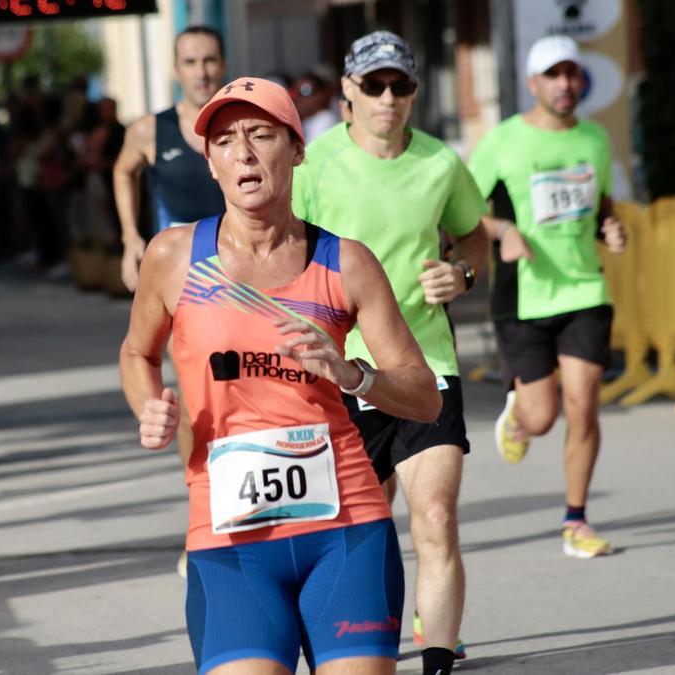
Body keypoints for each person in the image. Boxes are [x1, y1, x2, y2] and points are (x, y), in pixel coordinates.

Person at [121, 77, 441, 675]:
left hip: (345, 529)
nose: (242, 151)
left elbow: (424, 398)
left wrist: (353, 375)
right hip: (229, 543)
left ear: (296, 149)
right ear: (211, 163)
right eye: (223, 140)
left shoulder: (345, 262)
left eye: (260, 134)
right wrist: (148, 405)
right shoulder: (173, 257)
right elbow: (137, 354)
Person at [291, 30, 489, 675]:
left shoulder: (440, 163)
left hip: (426, 366)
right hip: (342, 373)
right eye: (372, 85)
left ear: (413, 93)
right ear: (347, 90)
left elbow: (475, 239)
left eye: (399, 85)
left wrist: (461, 276)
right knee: (363, 532)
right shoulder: (313, 164)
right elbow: (280, 255)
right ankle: (362, 644)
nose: (387, 98)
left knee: (435, 515)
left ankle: (436, 657)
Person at [467, 35, 626, 559]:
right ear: (533, 83)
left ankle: (576, 521)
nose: (564, 84)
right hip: (523, 295)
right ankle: (519, 415)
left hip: (584, 287)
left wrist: (611, 227)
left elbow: (597, 201)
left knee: (584, 405)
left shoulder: (595, 140)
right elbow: (460, 210)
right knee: (543, 418)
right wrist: (503, 231)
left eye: (572, 74)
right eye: (553, 75)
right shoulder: (504, 140)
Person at [114, 25, 227, 295]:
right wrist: (130, 237)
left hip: (237, 267)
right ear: (176, 70)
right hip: (175, 270)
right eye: (190, 62)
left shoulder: (243, 125)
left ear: (223, 65)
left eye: (209, 60)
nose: (201, 73)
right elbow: (123, 172)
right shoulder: (149, 130)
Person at [291, 71, 340, 143]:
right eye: (296, 92)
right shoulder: (307, 121)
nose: (298, 97)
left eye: (305, 91)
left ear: (321, 94)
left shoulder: (326, 120)